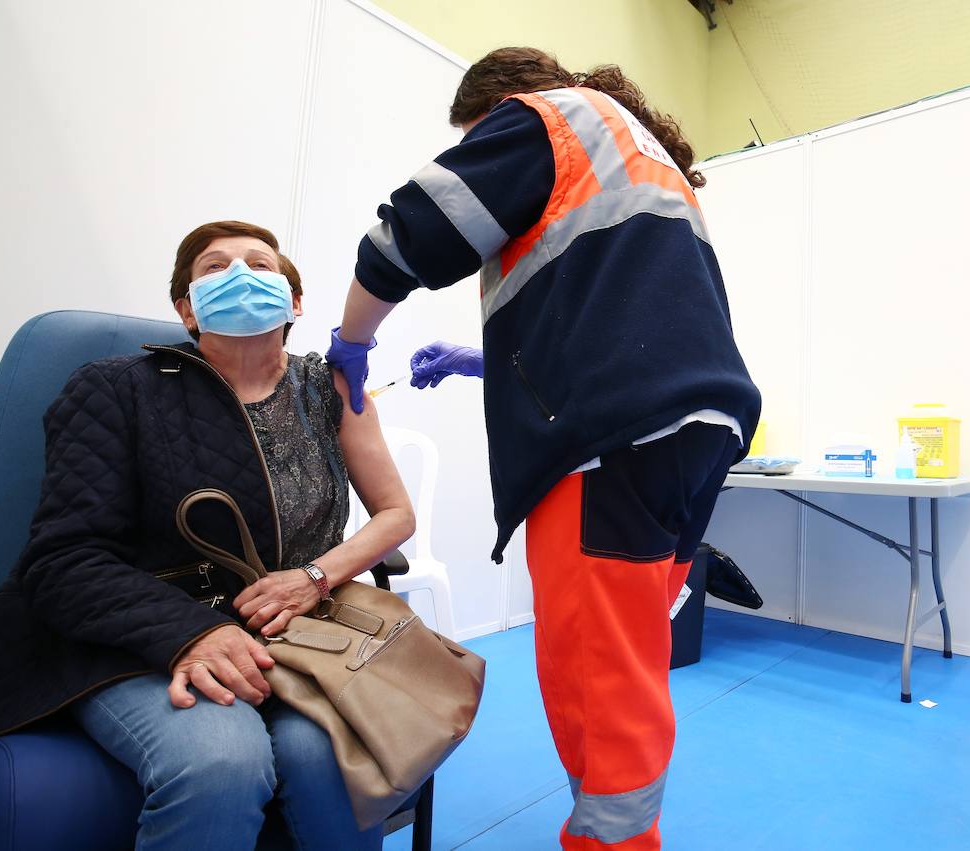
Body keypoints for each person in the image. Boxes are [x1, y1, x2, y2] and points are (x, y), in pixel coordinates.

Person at [325, 47, 761, 850]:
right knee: (625, 657)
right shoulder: (634, 151)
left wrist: (352, 340)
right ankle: (617, 826)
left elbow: (411, 233)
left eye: (475, 135)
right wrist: (481, 359)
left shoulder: (544, 119)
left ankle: (613, 840)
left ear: (496, 108)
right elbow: (619, 323)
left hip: (610, 445)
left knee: (595, 671)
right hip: (695, 432)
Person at [0, 221, 415, 849]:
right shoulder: (114, 389)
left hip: (293, 633)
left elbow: (394, 513)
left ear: (295, 302)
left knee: (329, 757)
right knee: (221, 760)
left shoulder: (330, 388)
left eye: (260, 264)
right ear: (186, 308)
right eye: (214, 268)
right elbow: (65, 559)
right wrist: (190, 632)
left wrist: (315, 576)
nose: (240, 275)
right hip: (131, 636)